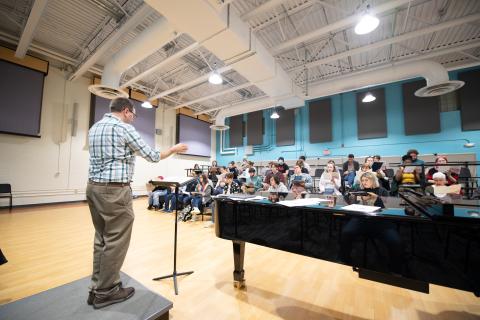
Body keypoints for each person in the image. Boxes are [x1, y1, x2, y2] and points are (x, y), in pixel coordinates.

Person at [86, 97, 187, 309]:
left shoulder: (95, 127)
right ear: (126, 111)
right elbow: (152, 156)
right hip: (114, 191)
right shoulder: (124, 129)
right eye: (133, 114)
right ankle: (107, 291)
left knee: (101, 238)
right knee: (116, 240)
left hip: (93, 188)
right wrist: (174, 149)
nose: (133, 118)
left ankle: (96, 287)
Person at [340, 172, 403, 273]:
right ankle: (344, 260)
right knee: (346, 232)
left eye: (367, 180)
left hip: (381, 220)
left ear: (373, 180)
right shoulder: (358, 190)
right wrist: (349, 197)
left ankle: (396, 269)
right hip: (361, 218)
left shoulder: (382, 191)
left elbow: (388, 209)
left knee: (395, 241)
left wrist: (376, 199)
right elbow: (349, 204)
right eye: (363, 180)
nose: (364, 182)